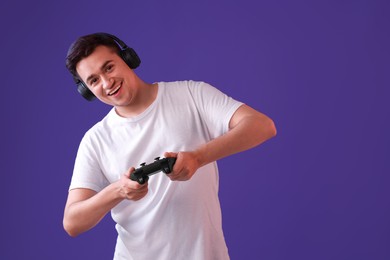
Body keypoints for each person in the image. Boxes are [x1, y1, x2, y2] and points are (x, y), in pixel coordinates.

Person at [63, 32, 276, 260]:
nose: (107, 83)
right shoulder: (95, 140)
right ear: (87, 90)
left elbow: (262, 126)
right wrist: (119, 190)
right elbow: (72, 222)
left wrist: (198, 157)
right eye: (93, 80)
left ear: (127, 59)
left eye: (108, 68)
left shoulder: (191, 94)